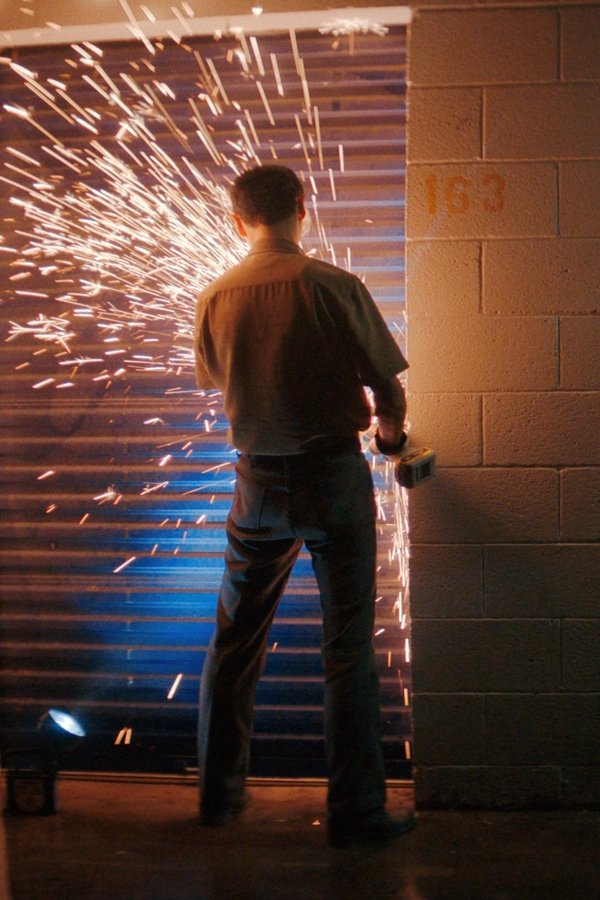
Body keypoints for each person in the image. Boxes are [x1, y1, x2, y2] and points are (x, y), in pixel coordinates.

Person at [194, 164, 414, 846]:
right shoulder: (333, 286)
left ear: (238, 221)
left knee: (234, 644)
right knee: (346, 648)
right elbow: (389, 393)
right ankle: (356, 812)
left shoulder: (214, 296)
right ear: (301, 207)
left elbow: (223, 382)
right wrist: (390, 441)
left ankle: (219, 798)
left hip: (256, 484)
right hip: (332, 478)